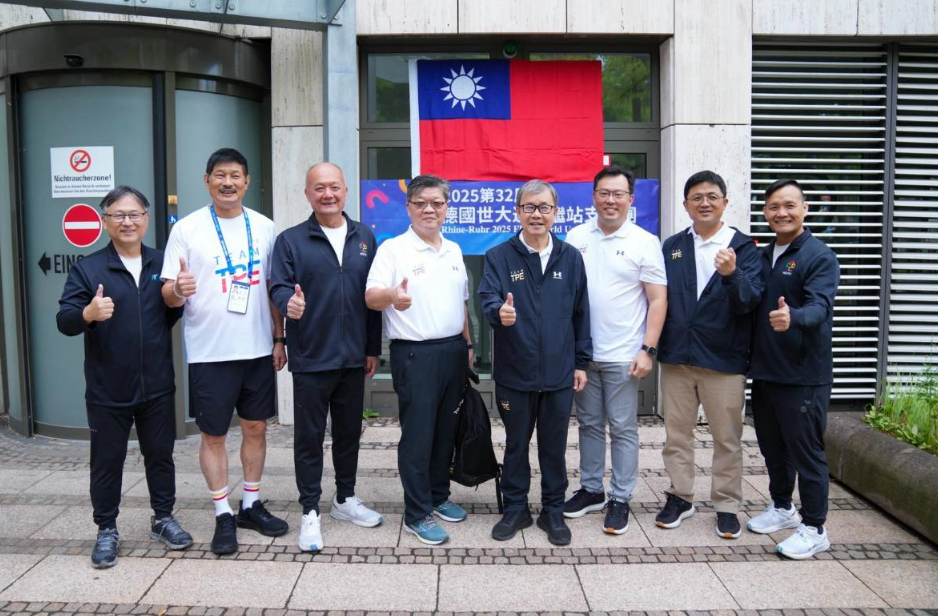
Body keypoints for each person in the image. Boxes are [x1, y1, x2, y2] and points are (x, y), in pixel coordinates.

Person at [161, 147, 288, 555]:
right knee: (214, 435)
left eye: (235, 175)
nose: (228, 182)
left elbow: (275, 288)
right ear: (207, 180)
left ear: (247, 182)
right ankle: (222, 512)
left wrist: (279, 337)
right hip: (209, 352)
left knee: (256, 428)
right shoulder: (187, 229)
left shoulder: (266, 227)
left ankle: (250, 503)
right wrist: (176, 291)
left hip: (256, 350)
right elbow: (167, 292)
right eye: (220, 175)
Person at [57, 186, 192, 569]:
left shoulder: (161, 262)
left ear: (147, 219)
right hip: (107, 388)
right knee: (106, 461)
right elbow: (64, 322)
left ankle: (163, 519)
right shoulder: (88, 268)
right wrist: (88, 313)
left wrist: (179, 296)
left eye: (135, 214)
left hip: (157, 385)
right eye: (119, 215)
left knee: (160, 456)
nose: (128, 221)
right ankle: (106, 530)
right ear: (105, 222)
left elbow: (170, 314)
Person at [269, 162, 383, 552]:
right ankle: (309, 511)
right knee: (310, 438)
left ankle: (345, 499)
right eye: (319, 188)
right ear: (307, 194)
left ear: (346, 191)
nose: (327, 194)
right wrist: (289, 307)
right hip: (312, 357)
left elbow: (373, 298)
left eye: (334, 187)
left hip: (353, 358)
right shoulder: (291, 240)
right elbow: (279, 286)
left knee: (349, 433)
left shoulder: (364, 236)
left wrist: (372, 348)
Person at [478, 179, 591, 546]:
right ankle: (515, 508)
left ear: (556, 213)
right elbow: (487, 299)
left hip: (559, 373)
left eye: (544, 207)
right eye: (529, 207)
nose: (537, 214)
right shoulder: (499, 256)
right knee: (515, 444)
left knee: (553, 447)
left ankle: (553, 510)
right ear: (517, 212)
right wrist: (500, 313)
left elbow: (581, 313)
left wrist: (580, 363)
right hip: (515, 372)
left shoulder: (570, 257)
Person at [365, 174, 473, 546]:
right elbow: (370, 297)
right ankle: (416, 513)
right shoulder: (393, 250)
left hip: (453, 352)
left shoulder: (454, 249)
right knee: (419, 435)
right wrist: (392, 295)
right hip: (415, 354)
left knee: (446, 431)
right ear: (408, 207)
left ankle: (438, 495)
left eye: (437, 203)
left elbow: (461, 305)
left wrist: (468, 347)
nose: (430, 209)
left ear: (447, 207)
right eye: (421, 203)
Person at [655, 170, 764, 538]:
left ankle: (727, 504)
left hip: (724, 362)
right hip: (677, 359)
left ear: (725, 202)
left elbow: (751, 301)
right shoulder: (672, 246)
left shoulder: (744, 247)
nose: (704, 203)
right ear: (686, 205)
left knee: (727, 438)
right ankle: (680, 496)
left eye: (712, 196)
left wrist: (732, 274)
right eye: (696, 197)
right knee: (677, 436)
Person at [563, 165, 667, 535]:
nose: (611, 200)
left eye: (618, 194)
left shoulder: (644, 241)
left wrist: (648, 350)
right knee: (589, 425)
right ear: (593, 197)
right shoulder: (575, 238)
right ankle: (592, 489)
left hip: (625, 355)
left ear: (630, 199)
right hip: (584, 356)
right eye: (604, 193)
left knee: (623, 428)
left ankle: (620, 497)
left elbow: (657, 300)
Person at [747, 179, 839, 559]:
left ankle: (815, 527)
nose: (780, 213)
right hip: (767, 372)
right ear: (765, 212)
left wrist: (794, 317)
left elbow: (822, 306)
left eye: (789, 205)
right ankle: (783, 507)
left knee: (807, 453)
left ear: (805, 209)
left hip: (803, 375)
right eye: (773, 206)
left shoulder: (818, 255)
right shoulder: (766, 252)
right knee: (773, 448)